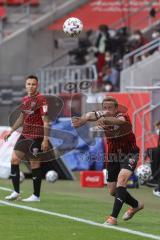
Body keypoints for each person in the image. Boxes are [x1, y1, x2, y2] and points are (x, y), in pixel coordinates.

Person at [72, 96, 144, 225]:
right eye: (105, 107)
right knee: (112, 190)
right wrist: (83, 119)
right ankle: (136, 205)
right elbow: (90, 115)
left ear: (116, 108)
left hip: (129, 153)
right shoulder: (102, 115)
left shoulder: (123, 116)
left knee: (121, 180)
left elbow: (119, 121)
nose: (107, 110)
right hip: (112, 156)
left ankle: (113, 218)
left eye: (110, 107)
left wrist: (103, 117)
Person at [3, 75, 50, 202]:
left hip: (37, 136)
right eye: (28, 84)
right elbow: (21, 118)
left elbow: (46, 121)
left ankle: (36, 195)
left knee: (34, 163)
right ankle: (16, 192)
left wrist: (45, 140)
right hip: (25, 134)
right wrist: (11, 131)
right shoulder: (25, 99)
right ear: (25, 85)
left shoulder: (42, 100)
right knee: (14, 159)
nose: (30, 86)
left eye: (33, 84)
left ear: (37, 85)